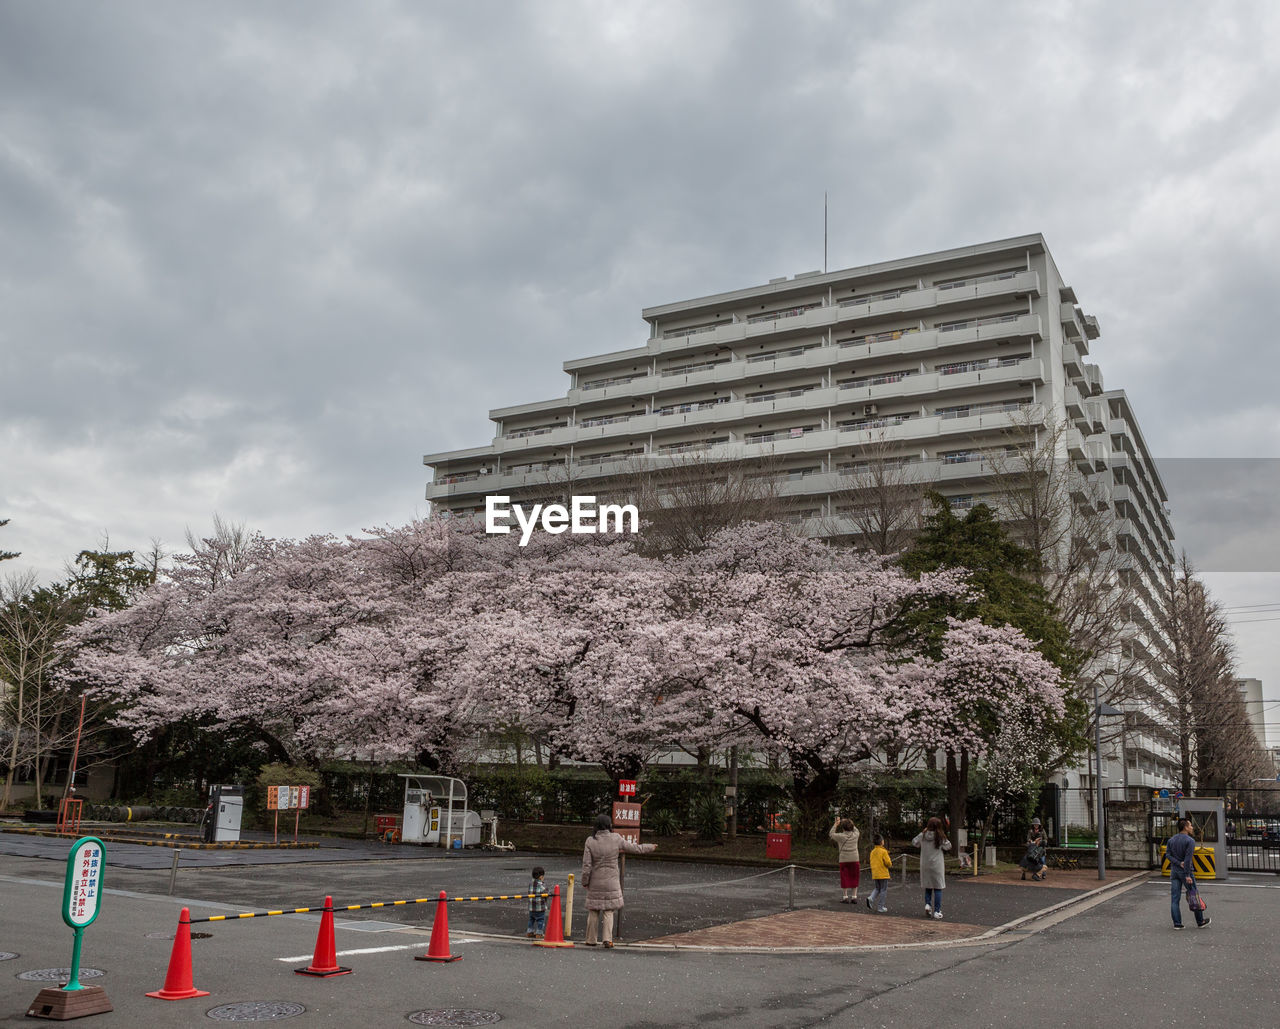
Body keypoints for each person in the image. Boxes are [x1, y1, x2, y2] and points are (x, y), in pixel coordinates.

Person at [581, 813, 656, 947]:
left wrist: (585, 881)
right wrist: (650, 847)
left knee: (593, 910)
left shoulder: (590, 841)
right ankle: (607, 939)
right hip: (611, 881)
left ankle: (590, 939)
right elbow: (635, 848)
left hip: (595, 881)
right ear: (609, 825)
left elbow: (587, 865)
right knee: (609, 910)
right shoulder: (616, 838)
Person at [1166, 817, 1211, 930]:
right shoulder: (1189, 841)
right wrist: (1187, 875)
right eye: (1190, 825)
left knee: (1175, 898)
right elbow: (1188, 859)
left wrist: (1177, 862)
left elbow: (1168, 855)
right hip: (1186, 873)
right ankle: (1200, 921)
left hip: (1174, 872)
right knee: (1193, 895)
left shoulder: (1171, 840)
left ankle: (1177, 923)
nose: (1192, 827)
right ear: (1185, 827)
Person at [912, 816, 952, 919]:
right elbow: (948, 846)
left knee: (928, 885)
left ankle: (928, 904)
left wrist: (922, 832)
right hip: (937, 865)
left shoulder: (923, 835)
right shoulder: (940, 836)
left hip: (925, 864)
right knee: (938, 887)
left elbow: (914, 842)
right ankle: (937, 911)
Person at [829, 815, 862, 904]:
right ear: (851, 827)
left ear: (843, 828)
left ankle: (845, 896)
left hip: (844, 859)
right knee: (855, 877)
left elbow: (831, 834)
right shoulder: (855, 835)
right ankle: (854, 896)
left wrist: (836, 824)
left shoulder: (841, 836)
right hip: (855, 859)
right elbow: (856, 830)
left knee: (845, 877)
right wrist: (848, 822)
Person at [866, 834, 892, 913]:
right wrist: (890, 864)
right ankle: (881, 906)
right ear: (882, 842)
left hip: (875, 873)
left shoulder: (872, 852)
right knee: (883, 890)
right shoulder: (883, 852)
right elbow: (888, 863)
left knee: (877, 888)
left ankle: (871, 898)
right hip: (883, 873)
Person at [526, 866, 548, 939]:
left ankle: (529, 931)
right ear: (541, 877)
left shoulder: (530, 884)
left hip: (531, 907)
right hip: (540, 908)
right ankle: (539, 933)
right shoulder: (541, 885)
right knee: (540, 920)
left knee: (531, 920)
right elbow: (546, 893)